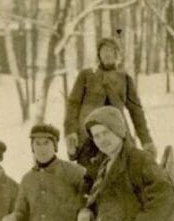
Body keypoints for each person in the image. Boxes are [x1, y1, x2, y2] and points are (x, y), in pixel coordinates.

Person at [64, 37, 157, 179]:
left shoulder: (125, 78)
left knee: (123, 176)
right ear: (98, 55)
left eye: (111, 51)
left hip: (117, 135)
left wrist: (146, 140)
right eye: (104, 50)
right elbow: (73, 104)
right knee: (89, 178)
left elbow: (136, 111)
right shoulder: (86, 75)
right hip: (89, 136)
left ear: (117, 54)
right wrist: (70, 131)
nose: (107, 54)